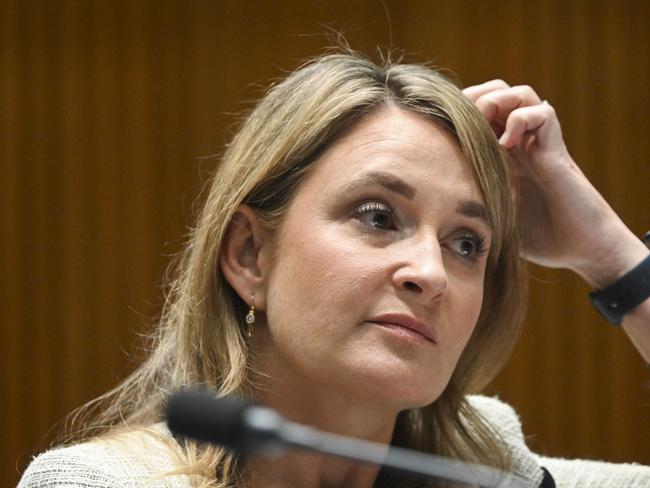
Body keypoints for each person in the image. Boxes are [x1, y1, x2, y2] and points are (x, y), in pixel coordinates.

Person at [17, 51, 650, 488]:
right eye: (377, 216)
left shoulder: (485, 465)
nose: (430, 270)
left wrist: (613, 259)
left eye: (466, 244)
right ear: (248, 255)